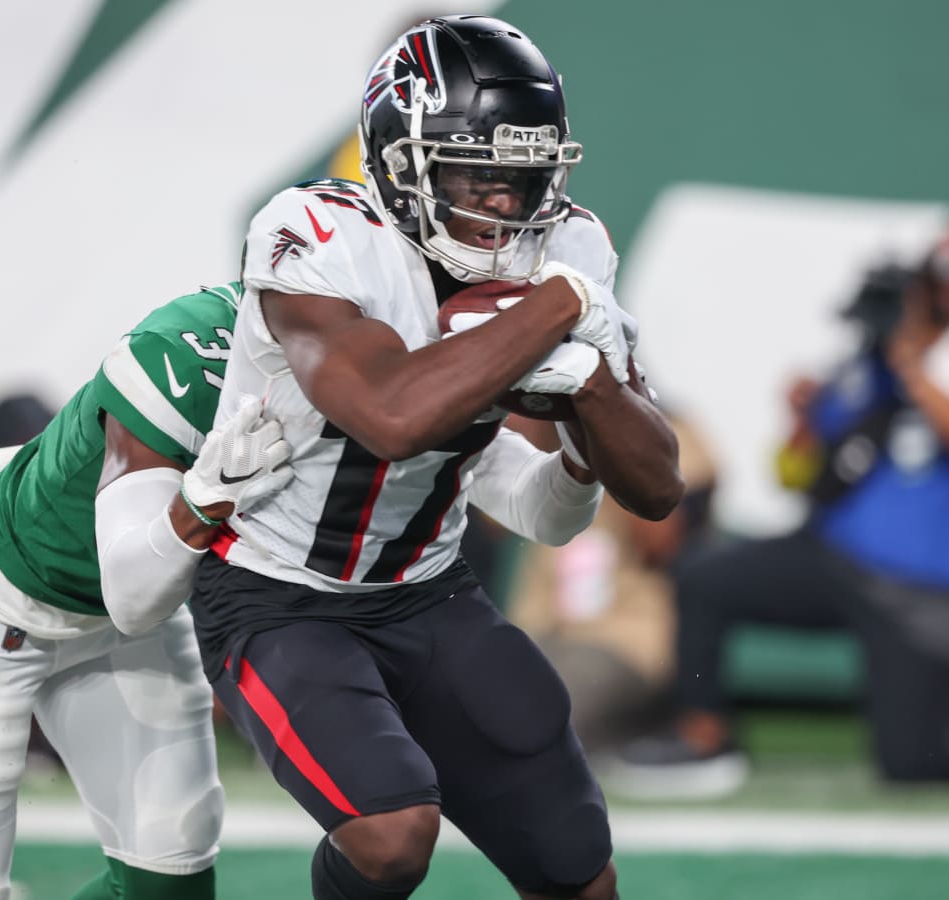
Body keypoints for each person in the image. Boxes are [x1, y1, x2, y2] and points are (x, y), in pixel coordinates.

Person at [188, 15, 682, 900]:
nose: (504, 201)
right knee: (391, 833)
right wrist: (559, 306)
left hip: (428, 586)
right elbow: (390, 416)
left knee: (576, 867)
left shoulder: (566, 243)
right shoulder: (318, 233)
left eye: (525, 176)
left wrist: (596, 390)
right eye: (478, 172)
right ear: (402, 165)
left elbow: (656, 488)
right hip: (276, 592)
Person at [0, 280, 293, 898]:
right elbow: (137, 587)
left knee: (168, 880)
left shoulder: (358, 367)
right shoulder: (182, 352)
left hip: (124, 604)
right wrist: (202, 507)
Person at [614, 225, 949, 797]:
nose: (945, 286)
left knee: (912, 764)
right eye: (934, 274)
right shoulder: (866, 368)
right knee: (705, 579)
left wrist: (914, 370)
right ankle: (702, 731)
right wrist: (801, 422)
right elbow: (799, 479)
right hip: (837, 559)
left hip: (926, 592)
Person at [509, 412, 718, 753]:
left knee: (539, 717)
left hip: (621, 634)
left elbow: (661, 541)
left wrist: (608, 437)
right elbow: (492, 523)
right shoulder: (546, 426)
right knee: (470, 708)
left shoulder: (669, 430)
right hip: (540, 628)